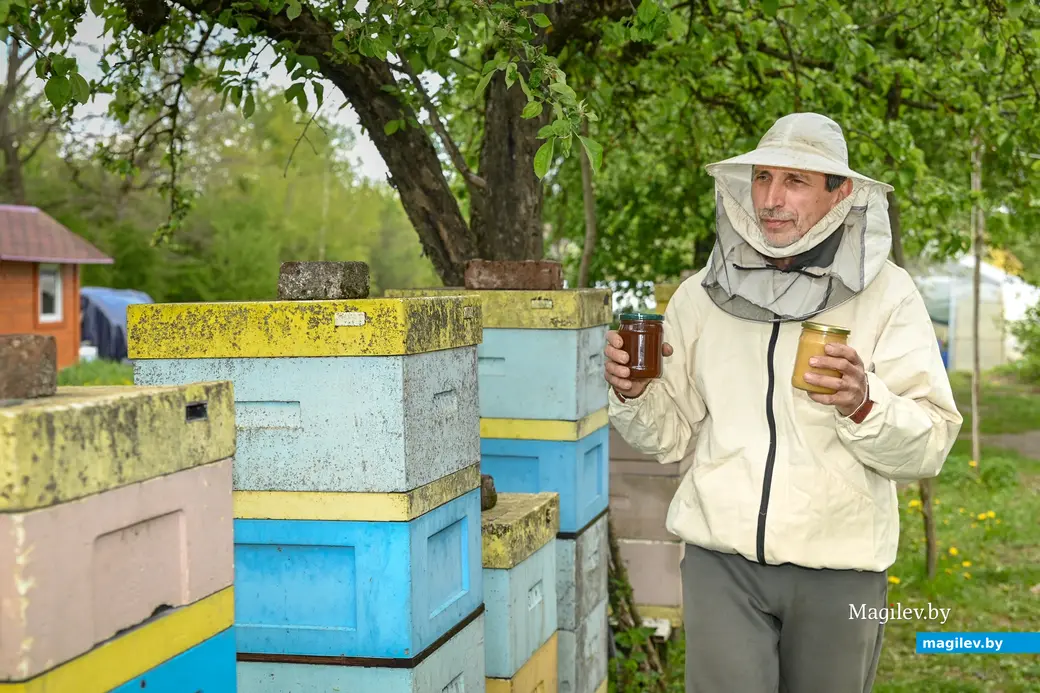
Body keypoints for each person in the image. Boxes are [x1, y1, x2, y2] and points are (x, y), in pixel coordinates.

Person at [604, 112, 963, 692]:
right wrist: (632, 391)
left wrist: (863, 402)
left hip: (841, 570)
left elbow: (929, 443)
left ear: (840, 192)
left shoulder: (888, 295)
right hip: (722, 564)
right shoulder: (701, 296)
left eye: (795, 181)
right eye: (763, 177)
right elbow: (667, 436)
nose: (771, 198)